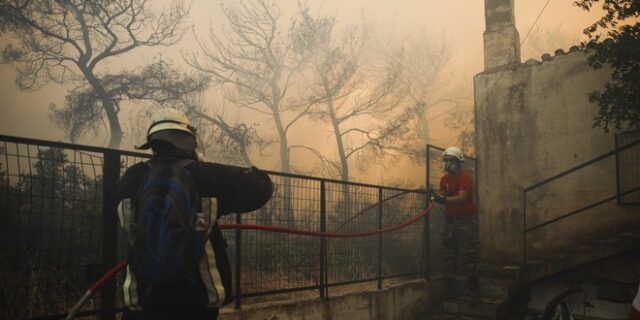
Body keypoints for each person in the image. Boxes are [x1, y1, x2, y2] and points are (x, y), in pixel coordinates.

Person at [116, 108, 273, 320]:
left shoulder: (132, 177)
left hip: (143, 299)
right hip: (196, 300)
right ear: (188, 140)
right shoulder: (207, 176)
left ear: (153, 142)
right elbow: (261, 188)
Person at [430, 146, 478, 299]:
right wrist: (435, 196)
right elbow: (443, 194)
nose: (447, 163)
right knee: (449, 253)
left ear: (458, 162)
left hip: (465, 221)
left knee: (467, 254)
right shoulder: (444, 179)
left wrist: (443, 200)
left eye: (450, 160)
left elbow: (462, 197)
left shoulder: (465, 178)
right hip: (450, 221)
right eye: (445, 160)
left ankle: (473, 290)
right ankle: (450, 290)